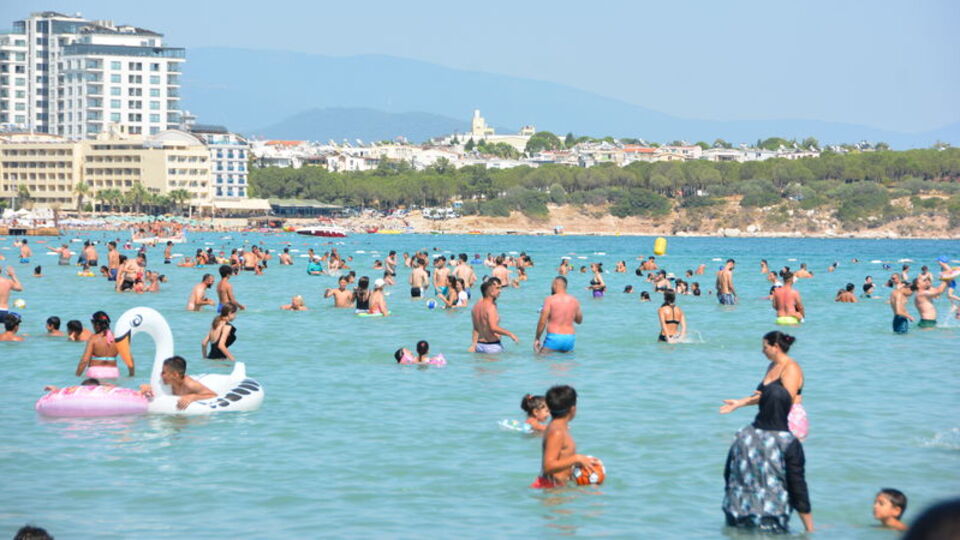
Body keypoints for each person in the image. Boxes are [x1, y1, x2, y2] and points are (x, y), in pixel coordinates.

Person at [722, 381, 813, 533]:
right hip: (771, 517)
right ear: (786, 408)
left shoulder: (741, 434)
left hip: (735, 513)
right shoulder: (788, 442)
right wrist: (809, 529)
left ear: (761, 406)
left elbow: (728, 473)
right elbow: (797, 486)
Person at [532, 385, 601, 488]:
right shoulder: (557, 432)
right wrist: (576, 458)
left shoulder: (560, 428)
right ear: (573, 409)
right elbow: (548, 466)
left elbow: (561, 459)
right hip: (550, 488)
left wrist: (578, 464)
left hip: (557, 486)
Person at [140, 356, 216, 410]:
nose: (161, 375)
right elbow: (155, 388)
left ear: (175, 375)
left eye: (164, 372)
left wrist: (192, 397)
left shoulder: (190, 385)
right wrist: (148, 387)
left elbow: (213, 395)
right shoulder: (168, 383)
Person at [76, 311, 133, 377]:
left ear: (97, 325)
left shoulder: (93, 338)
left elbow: (84, 361)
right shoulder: (117, 338)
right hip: (113, 373)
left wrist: (77, 376)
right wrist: (131, 374)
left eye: (92, 324)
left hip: (95, 373)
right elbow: (129, 358)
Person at [468, 278, 518, 353]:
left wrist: (473, 345)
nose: (500, 291)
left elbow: (476, 329)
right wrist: (510, 334)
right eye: (497, 288)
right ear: (490, 290)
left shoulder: (476, 306)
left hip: (479, 346)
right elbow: (493, 327)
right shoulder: (491, 307)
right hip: (492, 347)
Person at [535, 276, 583, 353]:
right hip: (570, 338)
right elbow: (579, 321)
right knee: (565, 363)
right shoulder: (574, 300)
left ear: (555, 285)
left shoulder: (549, 299)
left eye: (552, 285)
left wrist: (537, 338)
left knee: (540, 359)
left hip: (554, 337)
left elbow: (542, 322)